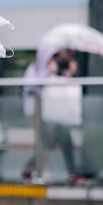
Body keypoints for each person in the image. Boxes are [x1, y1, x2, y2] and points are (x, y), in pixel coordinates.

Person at [23, 44, 85, 183]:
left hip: (54, 113)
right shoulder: (35, 70)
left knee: (59, 141)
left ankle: (69, 172)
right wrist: (47, 73)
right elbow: (31, 88)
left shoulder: (56, 70)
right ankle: (37, 170)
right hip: (38, 114)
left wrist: (68, 74)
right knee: (46, 143)